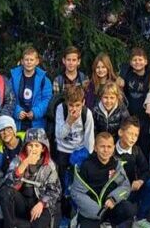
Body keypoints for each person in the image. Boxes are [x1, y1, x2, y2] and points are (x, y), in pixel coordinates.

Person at [0, 128, 62, 228]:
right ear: (25, 147)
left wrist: (42, 203)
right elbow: (8, 183)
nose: (33, 149)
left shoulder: (49, 165)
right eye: (30, 145)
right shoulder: (17, 160)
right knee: (4, 192)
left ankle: (21, 224)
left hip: (40, 202)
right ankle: (10, 224)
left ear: (43, 148)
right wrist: (24, 164)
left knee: (39, 223)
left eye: (37, 145)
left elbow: (55, 191)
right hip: (23, 201)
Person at [71, 131, 136, 228]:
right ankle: (78, 221)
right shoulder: (85, 166)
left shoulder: (117, 165)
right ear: (95, 148)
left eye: (109, 147)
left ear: (113, 148)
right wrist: (97, 211)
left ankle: (109, 223)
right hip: (92, 212)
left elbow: (125, 186)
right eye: (102, 146)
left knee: (129, 210)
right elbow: (76, 192)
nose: (106, 150)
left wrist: (114, 198)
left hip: (111, 207)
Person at [53, 84, 94, 218]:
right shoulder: (61, 109)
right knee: (65, 185)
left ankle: (79, 214)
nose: (74, 109)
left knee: (79, 185)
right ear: (66, 103)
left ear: (83, 102)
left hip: (79, 151)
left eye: (77, 105)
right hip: (63, 151)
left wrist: (88, 157)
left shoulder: (87, 113)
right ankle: (65, 215)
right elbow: (59, 134)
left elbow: (89, 138)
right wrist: (69, 121)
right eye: (71, 105)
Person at [116, 116, 150, 227]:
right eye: (130, 133)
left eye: (136, 135)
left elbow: (146, 171)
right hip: (116, 194)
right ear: (121, 132)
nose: (133, 138)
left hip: (132, 189)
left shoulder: (136, 150)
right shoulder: (111, 150)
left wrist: (140, 181)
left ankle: (140, 218)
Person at [118, 47, 150, 158]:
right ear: (130, 62)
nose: (137, 62)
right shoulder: (127, 74)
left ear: (146, 61)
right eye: (134, 60)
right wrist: (122, 75)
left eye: (140, 59)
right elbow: (123, 68)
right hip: (130, 115)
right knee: (130, 143)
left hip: (145, 117)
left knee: (144, 144)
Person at [10, 47, 53, 132]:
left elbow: (47, 99)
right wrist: (16, 111)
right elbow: (9, 98)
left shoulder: (44, 80)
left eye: (31, 60)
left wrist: (36, 112)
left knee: (35, 145)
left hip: (37, 122)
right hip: (18, 122)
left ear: (37, 61)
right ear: (22, 61)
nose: (29, 62)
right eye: (26, 60)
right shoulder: (13, 78)